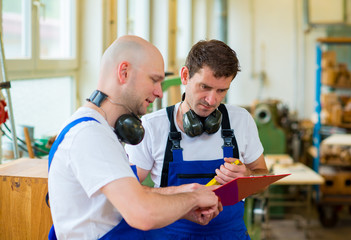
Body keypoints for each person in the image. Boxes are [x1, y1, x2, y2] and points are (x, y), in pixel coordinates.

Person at [47, 35, 222, 240]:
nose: (159, 92)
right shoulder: (89, 135)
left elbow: (132, 195)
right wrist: (193, 198)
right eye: (154, 80)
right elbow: (142, 214)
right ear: (124, 72)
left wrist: (185, 195)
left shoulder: (102, 131)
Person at [125, 39, 269, 239]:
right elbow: (127, 193)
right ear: (185, 76)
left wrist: (247, 176)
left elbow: (262, 180)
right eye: (205, 87)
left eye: (221, 91)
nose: (212, 100)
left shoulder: (240, 120)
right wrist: (185, 198)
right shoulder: (152, 126)